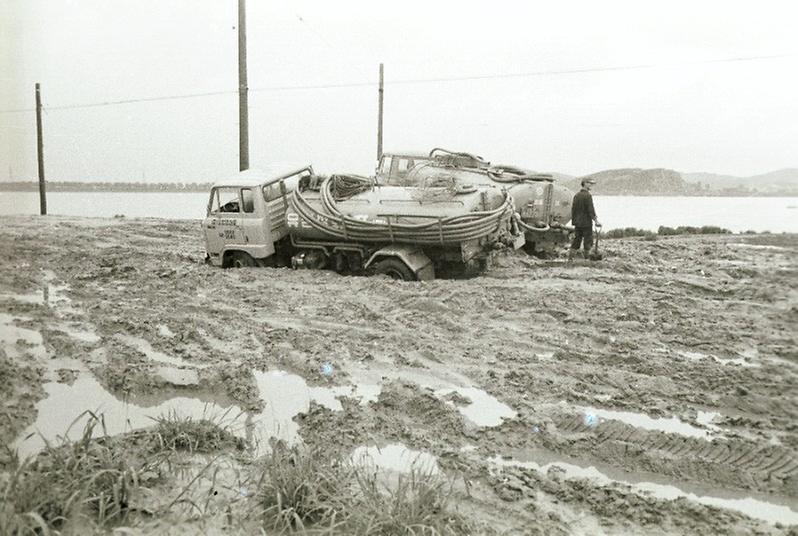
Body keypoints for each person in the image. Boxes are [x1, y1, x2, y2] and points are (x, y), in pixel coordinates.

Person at [569, 178, 601, 260]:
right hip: (586, 223)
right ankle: (587, 260)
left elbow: (573, 210)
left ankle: (570, 259)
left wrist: (574, 221)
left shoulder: (576, 195)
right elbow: (591, 210)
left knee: (576, 241)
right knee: (588, 241)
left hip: (577, 223)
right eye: (590, 183)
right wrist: (596, 221)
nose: (591, 185)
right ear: (585, 183)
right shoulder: (588, 196)